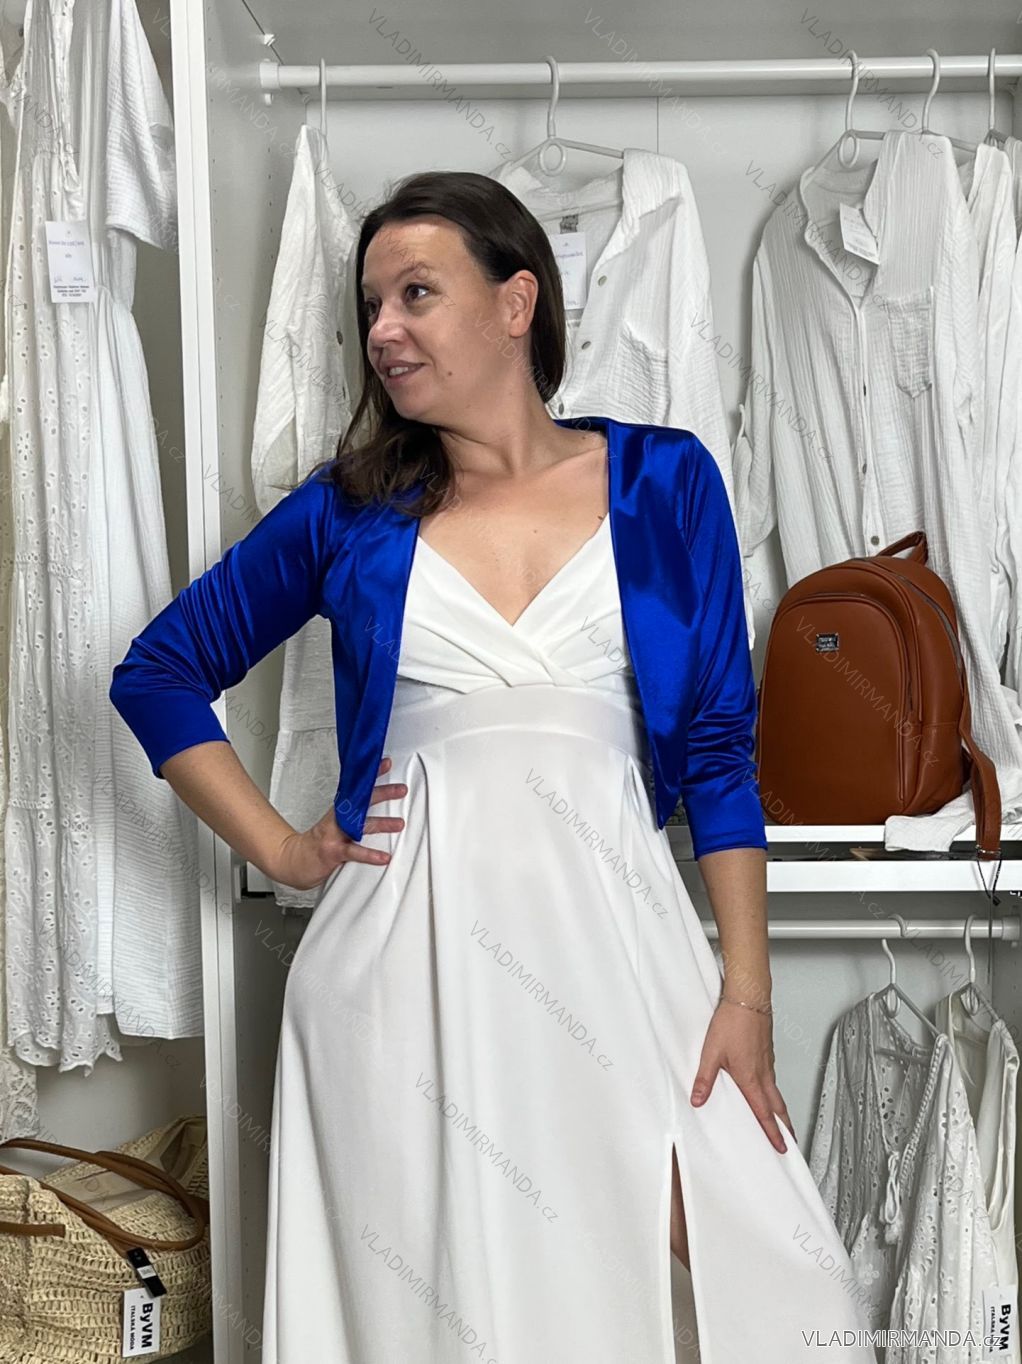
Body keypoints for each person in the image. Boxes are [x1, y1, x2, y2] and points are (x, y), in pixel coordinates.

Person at [110, 171, 877, 1362]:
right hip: (397, 970)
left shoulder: (663, 480)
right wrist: (285, 848)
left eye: (415, 293)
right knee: (450, 1316)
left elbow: (718, 748)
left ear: (516, 302)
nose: (382, 329)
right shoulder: (345, 511)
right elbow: (156, 671)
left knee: (788, 1279)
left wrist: (745, 992)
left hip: (618, 947)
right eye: (369, 305)